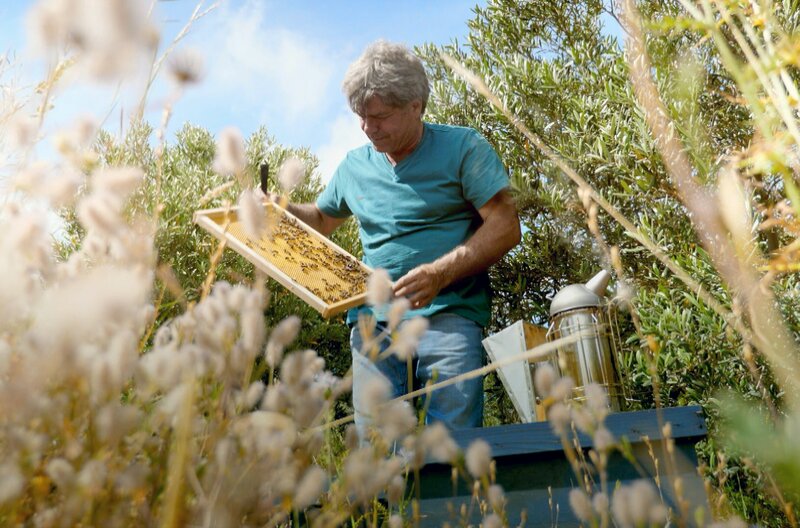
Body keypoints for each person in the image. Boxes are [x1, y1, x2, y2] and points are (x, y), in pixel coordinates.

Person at [271, 40, 520, 433]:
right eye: (361, 117)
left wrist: (439, 273)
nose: (369, 127)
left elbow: (506, 225)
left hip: (450, 315)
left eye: (380, 117)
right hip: (372, 323)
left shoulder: (463, 148)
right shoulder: (354, 166)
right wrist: (280, 208)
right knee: (379, 451)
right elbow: (320, 218)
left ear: (416, 106)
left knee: (451, 447)